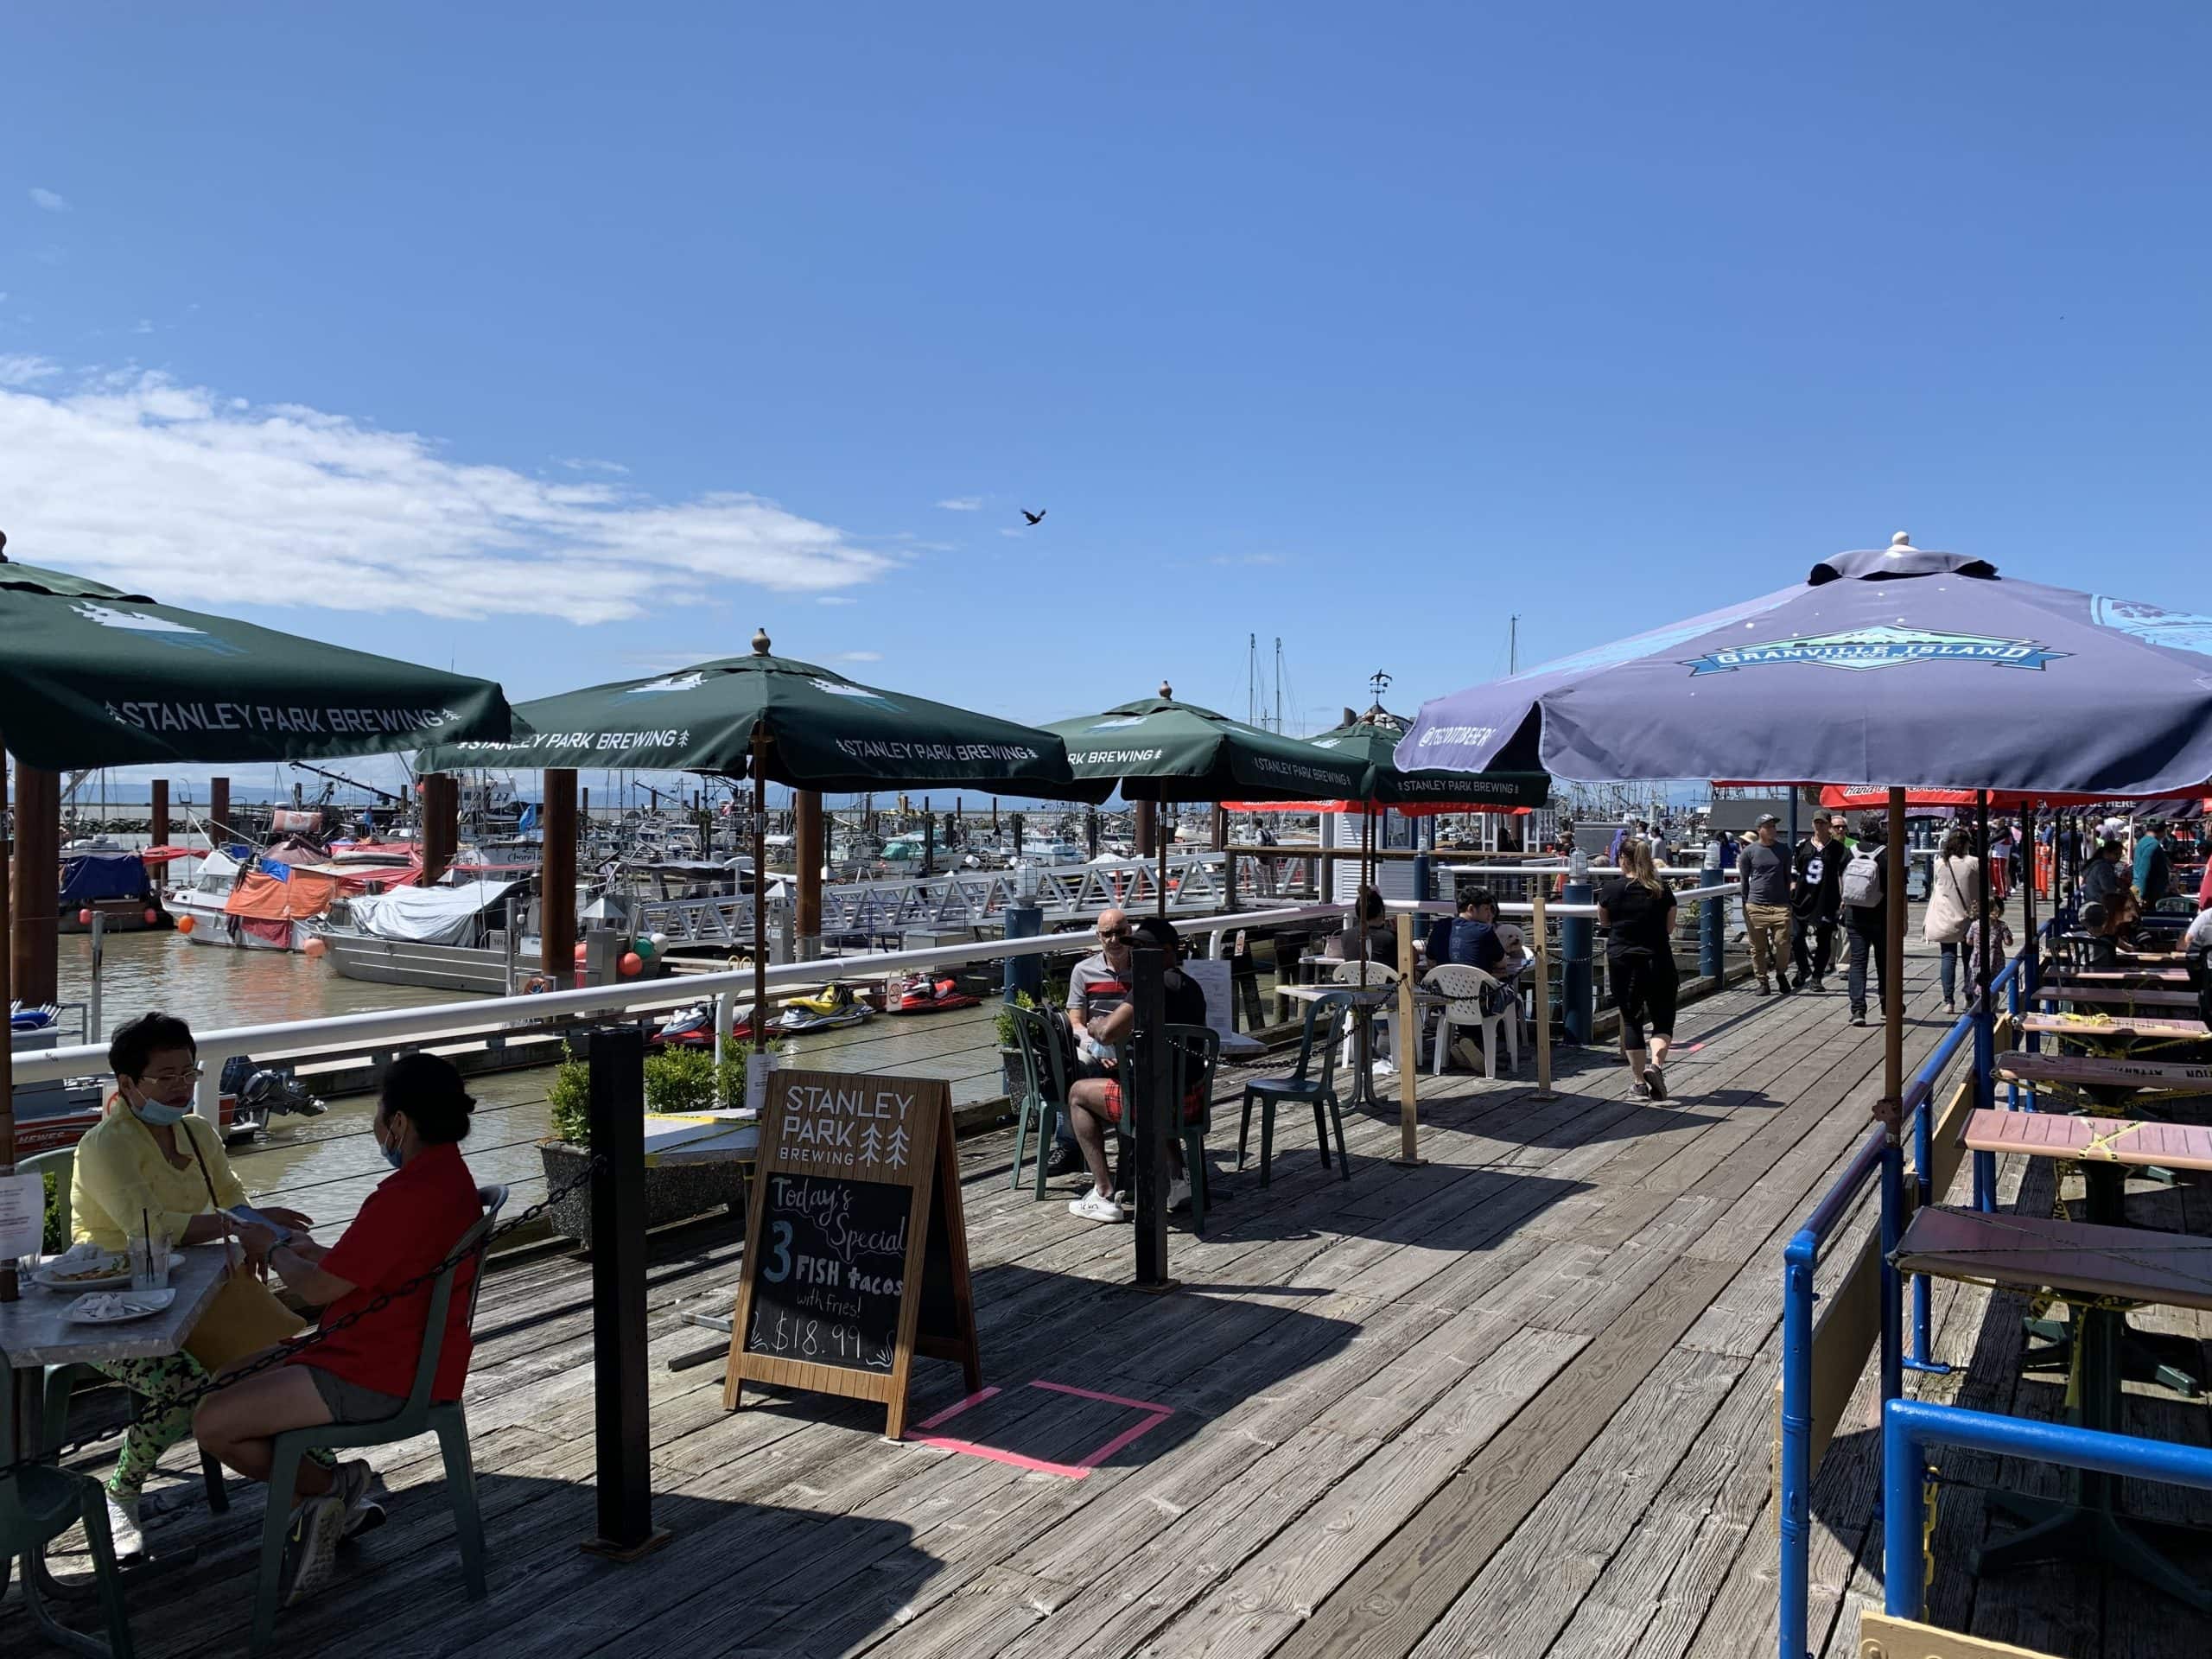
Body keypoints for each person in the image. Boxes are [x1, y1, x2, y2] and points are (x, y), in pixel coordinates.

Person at [196, 1052, 485, 1605]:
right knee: (228, 1375)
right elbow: (379, 1267)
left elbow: (317, 1290)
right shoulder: (449, 1177)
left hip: (378, 1371)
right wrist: (316, 1254)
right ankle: (321, 1496)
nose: (378, 1124)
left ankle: (331, 1487)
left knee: (213, 1423)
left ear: (399, 1122)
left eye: (381, 1112)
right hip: (398, 1349)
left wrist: (275, 1247)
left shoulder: (405, 1195)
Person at [68, 1012, 317, 1559]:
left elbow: (231, 1199)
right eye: (166, 1076)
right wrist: (241, 1229)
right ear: (128, 1084)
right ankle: (122, 1491)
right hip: (117, 1299)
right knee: (183, 1392)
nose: (182, 1086)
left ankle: (315, 1492)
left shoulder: (198, 1131)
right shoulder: (104, 1144)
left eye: (189, 1072)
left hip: (198, 1282)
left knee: (281, 1370)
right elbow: (149, 1226)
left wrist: (269, 1229)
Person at [1060, 914, 1206, 1224]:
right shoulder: (1192, 986)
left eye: (1144, 948)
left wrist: (1098, 1024)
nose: (1136, 954)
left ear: (1167, 950)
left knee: (1077, 1094)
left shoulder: (1149, 985)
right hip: (1190, 1102)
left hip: (1154, 1106)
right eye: (1135, 947)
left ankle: (1102, 1193)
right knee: (1157, 1083)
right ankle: (1179, 1181)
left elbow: (1108, 1032)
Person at [1046, 907, 1136, 1183]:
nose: (1114, 939)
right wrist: (1100, 1048)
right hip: (1094, 1044)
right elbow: (1076, 1022)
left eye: (1120, 933)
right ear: (1098, 936)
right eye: (1107, 934)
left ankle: (1128, 1144)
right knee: (1079, 1064)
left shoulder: (1144, 969)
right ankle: (1071, 1143)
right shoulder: (1083, 970)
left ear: (1130, 933)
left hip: (1134, 1045)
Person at [1599, 839, 1678, 1101]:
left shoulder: (1610, 890)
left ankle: (1638, 1083)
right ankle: (1655, 1067)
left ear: (1623, 858)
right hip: (1659, 960)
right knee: (1662, 1020)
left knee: (1632, 1019)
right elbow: (1669, 927)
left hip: (1624, 960)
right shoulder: (1662, 890)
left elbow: (1604, 921)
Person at [1923, 829, 1980, 1014]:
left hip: (1946, 917)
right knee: (1969, 959)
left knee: (1947, 957)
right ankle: (1969, 996)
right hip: (1969, 916)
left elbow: (1937, 888)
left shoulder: (1940, 863)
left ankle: (1949, 1001)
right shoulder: (1974, 863)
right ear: (1966, 844)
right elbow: (1984, 890)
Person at [1737, 813, 1795, 995]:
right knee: (1757, 947)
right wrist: (1746, 903)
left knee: (1783, 942)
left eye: (1774, 826)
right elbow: (1744, 880)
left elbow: (1787, 877)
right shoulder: (1749, 852)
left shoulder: (1785, 851)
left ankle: (1781, 972)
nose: (1772, 829)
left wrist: (1788, 901)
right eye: (1768, 826)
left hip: (1780, 904)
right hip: (1756, 904)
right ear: (1759, 830)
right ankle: (1762, 981)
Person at [1840, 817, 1890, 1027]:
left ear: (1860, 831)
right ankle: (1887, 1005)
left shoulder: (1849, 851)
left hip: (1854, 914)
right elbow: (1895, 887)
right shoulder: (1885, 853)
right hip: (1881, 915)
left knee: (1858, 963)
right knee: (1884, 962)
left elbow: (1840, 877)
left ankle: (1858, 1009)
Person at [1789, 813, 1845, 993]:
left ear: (1829, 825)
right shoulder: (1802, 846)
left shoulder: (1837, 848)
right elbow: (1794, 870)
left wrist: (1843, 897)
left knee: (1824, 940)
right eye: (1817, 823)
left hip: (1827, 900)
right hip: (1802, 899)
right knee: (1796, 936)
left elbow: (1844, 874)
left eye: (1823, 823)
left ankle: (1817, 976)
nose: (1820, 826)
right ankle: (1803, 968)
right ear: (1813, 824)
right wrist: (1792, 885)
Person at [1327, 883, 1397, 964]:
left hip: (1354, 977)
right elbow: (1412, 958)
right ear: (1381, 912)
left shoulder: (1346, 936)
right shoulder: (1390, 938)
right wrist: (1400, 934)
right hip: (1386, 977)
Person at [2134, 819, 2173, 905]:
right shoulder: (2153, 845)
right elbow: (2144, 872)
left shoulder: (2142, 841)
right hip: (2149, 894)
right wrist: (2142, 895)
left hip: (2141, 889)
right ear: (2163, 830)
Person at [2082, 837, 2127, 907]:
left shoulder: (2100, 864)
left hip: (2093, 898)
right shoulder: (2103, 867)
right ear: (2106, 853)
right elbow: (2108, 889)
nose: (2119, 857)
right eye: (2116, 854)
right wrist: (2121, 892)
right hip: (2098, 902)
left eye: (2120, 854)